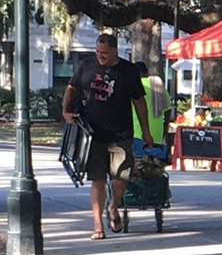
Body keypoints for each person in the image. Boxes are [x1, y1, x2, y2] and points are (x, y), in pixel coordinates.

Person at [62, 30, 154, 238]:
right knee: (97, 180)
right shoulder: (86, 66)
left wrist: (146, 131)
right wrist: (65, 111)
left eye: (104, 53)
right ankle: (97, 225)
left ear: (115, 51)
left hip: (121, 133)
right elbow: (71, 89)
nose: (100, 56)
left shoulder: (128, 71)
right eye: (97, 52)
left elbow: (139, 102)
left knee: (121, 176)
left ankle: (113, 206)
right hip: (92, 134)